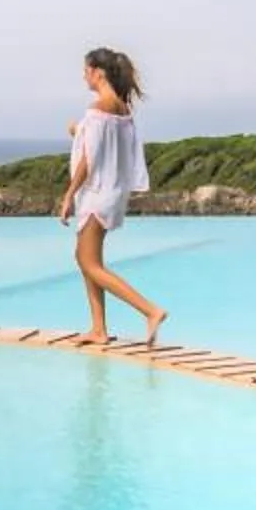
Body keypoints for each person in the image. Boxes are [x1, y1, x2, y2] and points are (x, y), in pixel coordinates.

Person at [55, 47, 166, 349]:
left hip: (96, 194)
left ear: (98, 72)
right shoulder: (121, 110)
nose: (83, 75)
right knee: (89, 260)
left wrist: (68, 195)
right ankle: (98, 329)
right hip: (113, 193)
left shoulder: (98, 109)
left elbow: (89, 159)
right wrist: (78, 130)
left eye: (86, 70)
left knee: (87, 261)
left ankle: (150, 311)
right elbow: (104, 142)